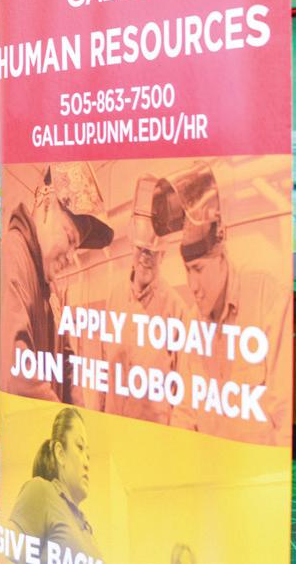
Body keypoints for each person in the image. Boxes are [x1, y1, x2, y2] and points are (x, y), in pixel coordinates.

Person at [152, 161, 290, 445]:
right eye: (187, 270)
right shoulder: (194, 322)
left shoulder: (267, 298)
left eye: (199, 269)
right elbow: (185, 410)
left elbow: (285, 415)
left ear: (221, 255)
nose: (192, 286)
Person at [2, 162, 113, 402]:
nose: (71, 257)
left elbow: (66, 360)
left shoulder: (50, 287)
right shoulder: (12, 256)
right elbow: (17, 373)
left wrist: (77, 413)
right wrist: (61, 419)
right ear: (45, 205)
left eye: (76, 247)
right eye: (69, 238)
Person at [101, 174, 189, 424]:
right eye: (141, 250)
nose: (145, 258)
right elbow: (103, 370)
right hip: (113, 426)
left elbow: (183, 393)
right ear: (132, 247)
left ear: (163, 255)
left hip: (152, 434)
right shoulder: (114, 298)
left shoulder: (177, 311)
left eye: (152, 252)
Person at [8, 407, 102, 563]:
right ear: (60, 453)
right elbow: (6, 557)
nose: (87, 463)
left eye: (88, 455)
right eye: (80, 447)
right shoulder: (41, 490)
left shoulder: (87, 529)